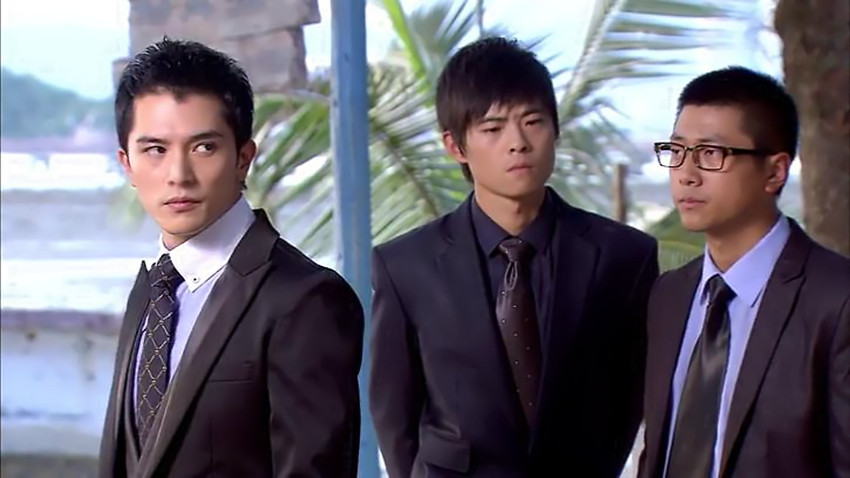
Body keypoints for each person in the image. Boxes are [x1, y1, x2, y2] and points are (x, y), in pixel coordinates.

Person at [368, 36, 659, 477]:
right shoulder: (406, 265)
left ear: (555, 129)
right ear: (456, 146)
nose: (518, 143)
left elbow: (629, 397)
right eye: (493, 129)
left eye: (533, 121)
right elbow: (395, 415)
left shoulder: (623, 256)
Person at [99, 38, 364, 478]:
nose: (179, 175)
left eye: (204, 147)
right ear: (127, 164)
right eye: (156, 150)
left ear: (243, 158)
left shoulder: (305, 299)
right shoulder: (153, 288)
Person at [640, 66, 850, 478]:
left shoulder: (836, 301)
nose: (686, 174)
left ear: (775, 171)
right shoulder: (669, 295)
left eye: (711, 154)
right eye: (677, 150)